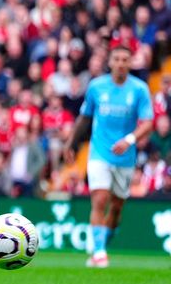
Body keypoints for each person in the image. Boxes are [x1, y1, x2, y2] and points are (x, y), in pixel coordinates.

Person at [63, 45, 153, 268]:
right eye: (117, 59)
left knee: (116, 208)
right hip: (99, 153)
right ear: (110, 62)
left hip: (125, 157)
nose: (121, 63)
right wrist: (71, 143)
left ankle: (102, 243)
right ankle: (100, 252)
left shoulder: (139, 89)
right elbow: (84, 118)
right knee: (100, 200)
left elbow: (149, 122)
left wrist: (129, 140)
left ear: (130, 63)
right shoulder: (96, 86)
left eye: (125, 59)